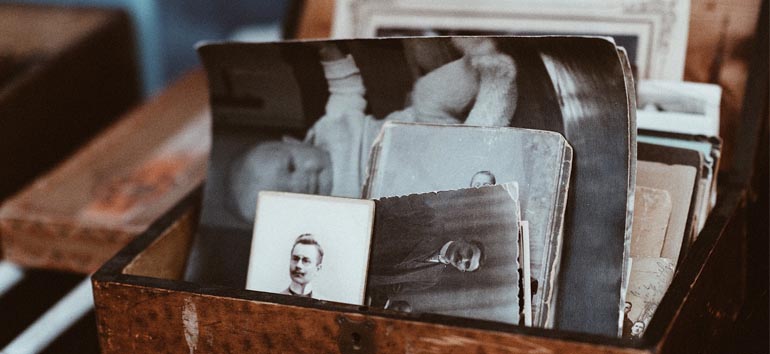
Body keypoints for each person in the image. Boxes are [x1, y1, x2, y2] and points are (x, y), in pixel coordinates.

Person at [228, 39, 518, 223]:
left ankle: (482, 66)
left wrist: (330, 54)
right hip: (427, 173)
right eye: (287, 197)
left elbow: (345, 89)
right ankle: (491, 110)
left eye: (290, 167)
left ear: (293, 142)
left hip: (421, 122)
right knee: (458, 182)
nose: (301, 183)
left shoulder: (329, 127)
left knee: (427, 93)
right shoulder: (335, 210)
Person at [367, 236, 485, 307]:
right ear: (463, 240)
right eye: (469, 253)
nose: (463, 259)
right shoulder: (431, 223)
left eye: (467, 264)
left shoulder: (431, 280)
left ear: (461, 269)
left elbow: (393, 288)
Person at [280, 234, 327, 300]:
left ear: (318, 269)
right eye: (295, 259)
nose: (298, 265)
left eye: (306, 261)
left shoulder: (324, 305)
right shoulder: (276, 301)